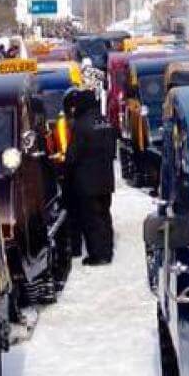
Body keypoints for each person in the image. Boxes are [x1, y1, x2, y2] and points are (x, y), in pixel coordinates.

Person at [62, 88, 116, 265]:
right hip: (106, 178)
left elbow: (73, 154)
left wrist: (66, 170)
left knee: (91, 219)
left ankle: (97, 254)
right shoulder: (105, 121)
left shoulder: (81, 124)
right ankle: (107, 251)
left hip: (86, 181)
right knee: (104, 215)